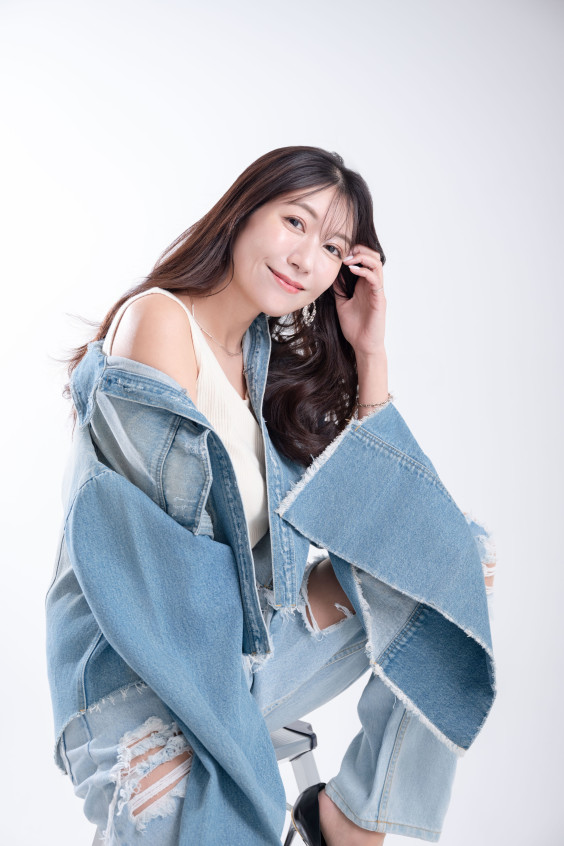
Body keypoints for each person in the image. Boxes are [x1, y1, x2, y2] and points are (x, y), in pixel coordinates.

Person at [46, 145, 497, 846]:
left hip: (243, 654)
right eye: (295, 222)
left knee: (455, 555)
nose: (307, 258)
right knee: (208, 813)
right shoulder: (159, 323)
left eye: (333, 248)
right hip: (141, 678)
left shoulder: (263, 365)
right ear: (245, 209)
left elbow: (397, 521)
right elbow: (164, 575)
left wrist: (370, 354)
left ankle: (354, 821)